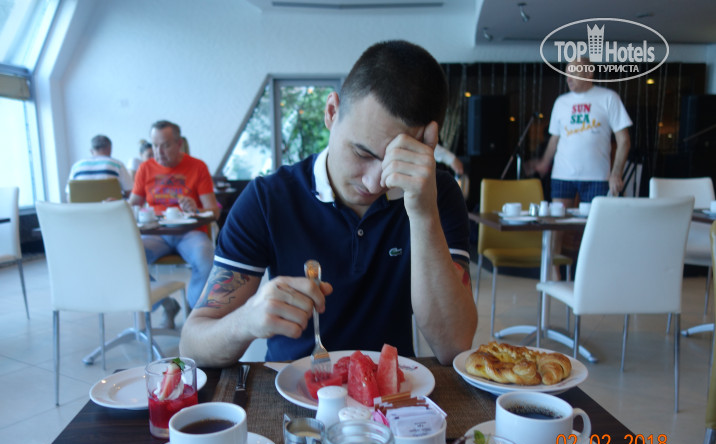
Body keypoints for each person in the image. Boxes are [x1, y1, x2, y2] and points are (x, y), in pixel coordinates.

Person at [180, 40, 477, 367]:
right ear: (332, 112)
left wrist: (422, 213)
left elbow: (454, 347)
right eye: (362, 153)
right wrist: (246, 320)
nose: (373, 183)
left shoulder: (436, 195)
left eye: (395, 163)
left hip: (393, 389)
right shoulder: (268, 199)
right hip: (291, 386)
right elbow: (192, 345)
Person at [129, 120, 220, 328]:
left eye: (165, 145)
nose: (158, 152)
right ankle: (166, 303)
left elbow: (213, 211)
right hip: (156, 233)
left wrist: (195, 209)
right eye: (155, 146)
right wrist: (116, 205)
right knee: (127, 257)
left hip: (189, 233)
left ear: (179, 144)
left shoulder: (197, 166)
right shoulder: (145, 168)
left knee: (207, 259)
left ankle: (195, 312)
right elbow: (133, 205)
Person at [532, 57, 632, 204]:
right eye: (567, 75)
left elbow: (624, 141)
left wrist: (616, 174)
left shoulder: (609, 98)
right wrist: (544, 163)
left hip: (597, 176)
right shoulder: (561, 102)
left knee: (594, 219)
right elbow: (554, 139)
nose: (568, 79)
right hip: (562, 174)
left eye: (574, 74)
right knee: (558, 218)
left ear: (589, 73)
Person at [65, 135, 133, 198]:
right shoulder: (118, 165)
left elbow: (69, 197)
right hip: (109, 206)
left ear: (91, 150)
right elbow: (130, 193)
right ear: (110, 148)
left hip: (83, 207)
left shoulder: (76, 166)